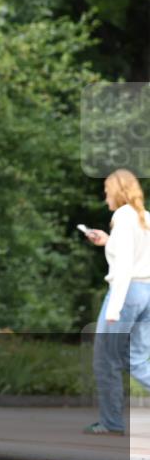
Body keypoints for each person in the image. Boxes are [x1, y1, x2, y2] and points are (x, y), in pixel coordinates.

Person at [83, 168, 150, 435]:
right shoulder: (145, 217)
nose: (105, 195)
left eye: (107, 190)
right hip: (147, 292)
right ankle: (110, 421)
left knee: (105, 359)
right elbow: (138, 256)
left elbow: (124, 265)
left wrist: (114, 307)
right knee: (139, 360)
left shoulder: (122, 217)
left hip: (127, 294)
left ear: (117, 190)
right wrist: (107, 241)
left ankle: (111, 423)